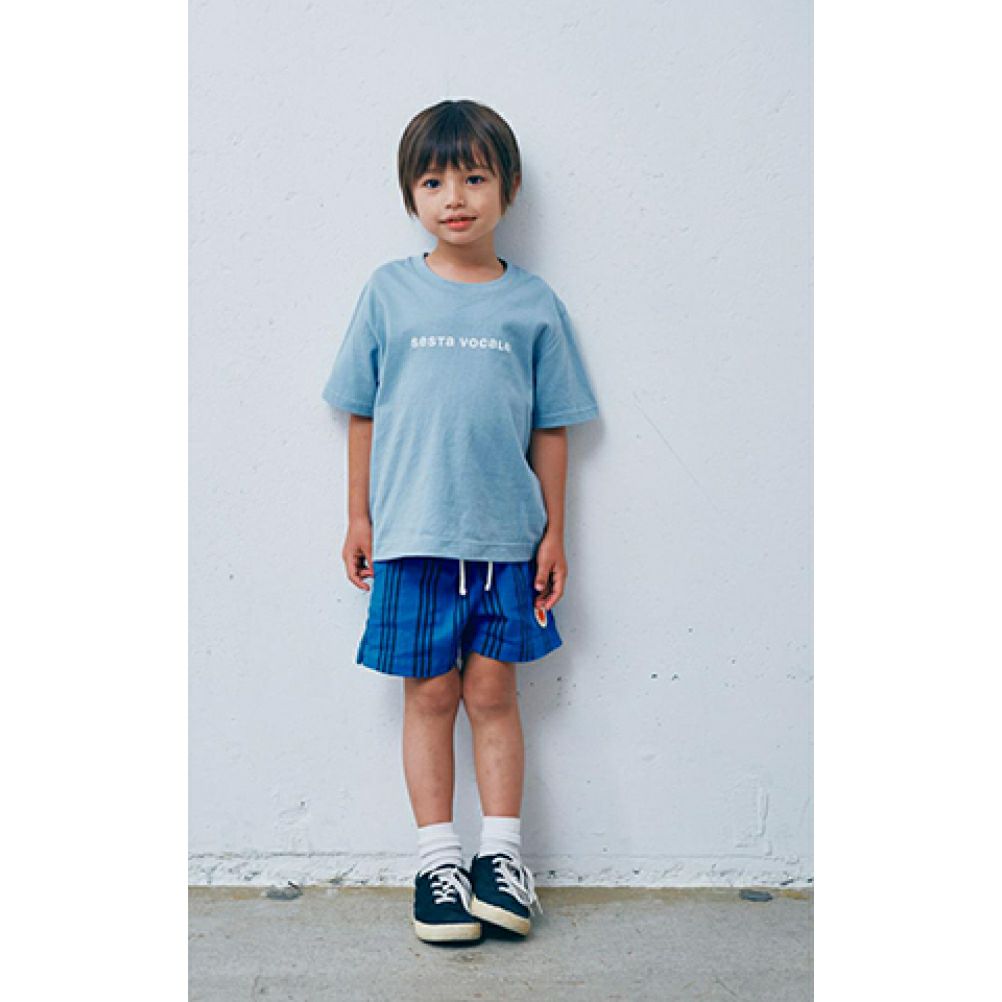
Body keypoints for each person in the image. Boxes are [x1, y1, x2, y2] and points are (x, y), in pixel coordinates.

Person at [321, 99, 600, 944]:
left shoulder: (533, 303)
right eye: (434, 180)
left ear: (507, 188)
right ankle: (438, 862)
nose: (455, 197)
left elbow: (552, 427)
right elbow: (361, 412)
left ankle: (500, 859)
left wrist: (554, 534)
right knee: (431, 694)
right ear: (410, 193)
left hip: (505, 542)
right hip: (410, 537)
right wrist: (358, 516)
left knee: (492, 693)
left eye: (475, 177)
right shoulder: (389, 293)